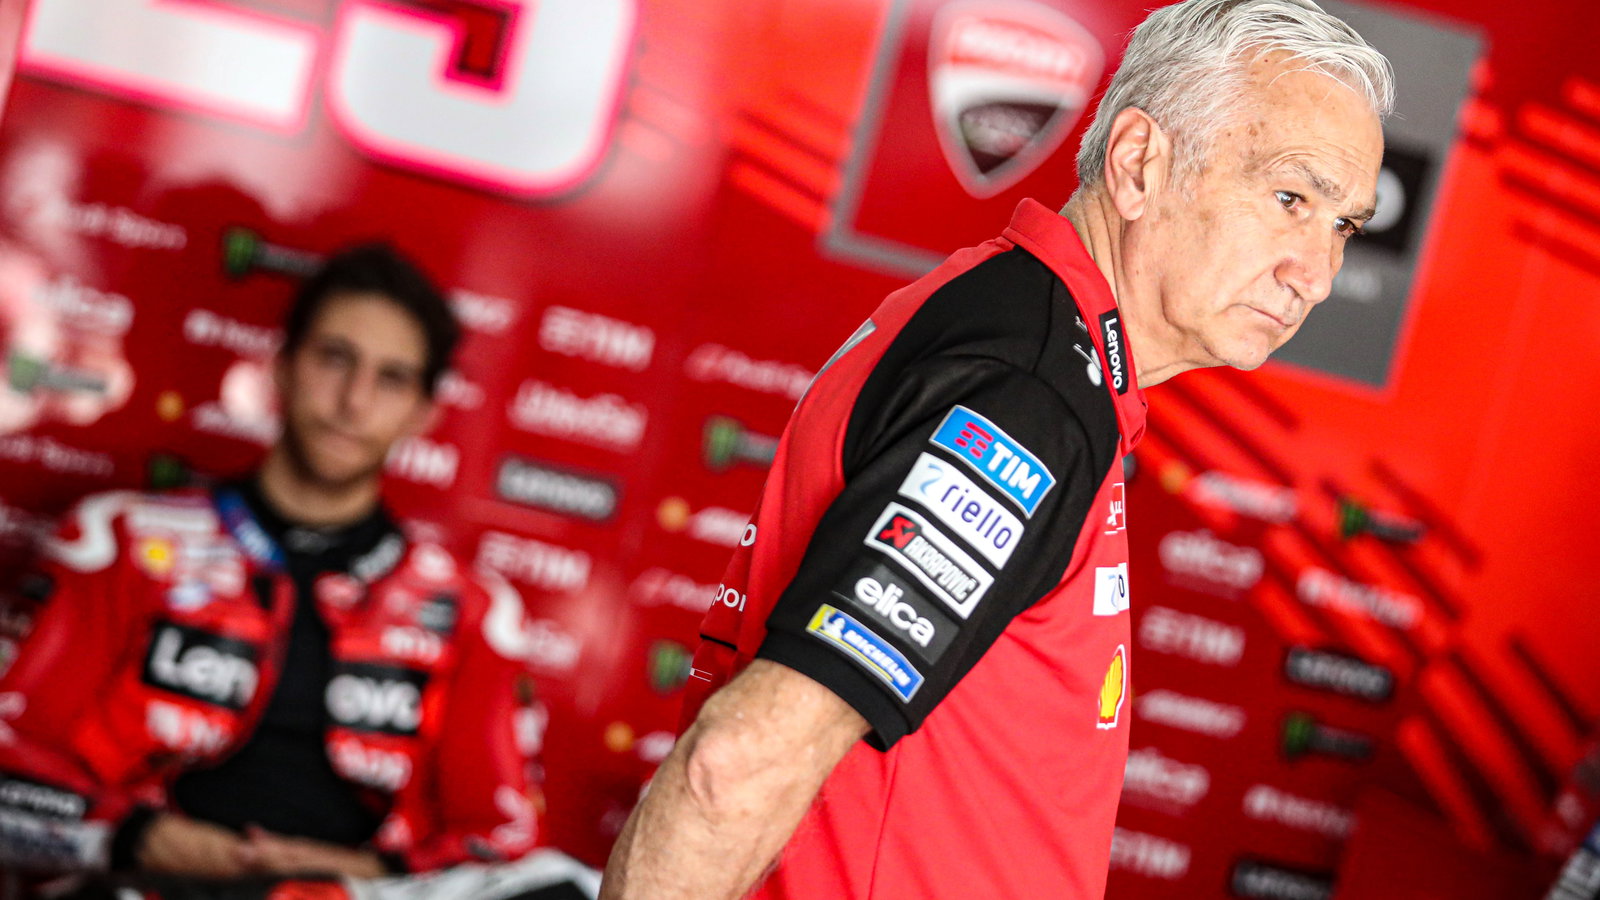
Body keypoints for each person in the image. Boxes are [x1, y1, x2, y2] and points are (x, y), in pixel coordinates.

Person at [600, 1, 1392, 897]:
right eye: (1291, 198)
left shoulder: (1039, 343)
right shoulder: (1031, 393)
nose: (1316, 274)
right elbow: (736, 762)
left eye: (1343, 226)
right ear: (1139, 165)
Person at [0, 245, 549, 889]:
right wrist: (148, 837)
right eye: (335, 358)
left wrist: (354, 874)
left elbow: (505, 841)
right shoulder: (120, 539)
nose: (353, 400)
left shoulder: (473, 608)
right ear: (282, 368)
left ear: (424, 414)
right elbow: (12, 763)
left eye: (392, 378)